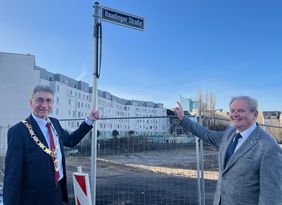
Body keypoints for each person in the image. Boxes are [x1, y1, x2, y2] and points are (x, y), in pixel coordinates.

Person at [174, 96, 282, 205]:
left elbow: (271, 195)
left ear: (254, 115)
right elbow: (206, 134)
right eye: (232, 110)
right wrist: (183, 118)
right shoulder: (229, 134)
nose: (235, 114)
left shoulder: (268, 147)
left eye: (241, 110)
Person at [3, 85, 99, 205]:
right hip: (34, 199)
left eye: (49, 100)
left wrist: (89, 120)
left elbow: (71, 140)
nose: (44, 105)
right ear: (31, 103)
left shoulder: (54, 123)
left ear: (53, 104)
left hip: (57, 194)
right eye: (39, 100)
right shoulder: (18, 131)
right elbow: (12, 177)